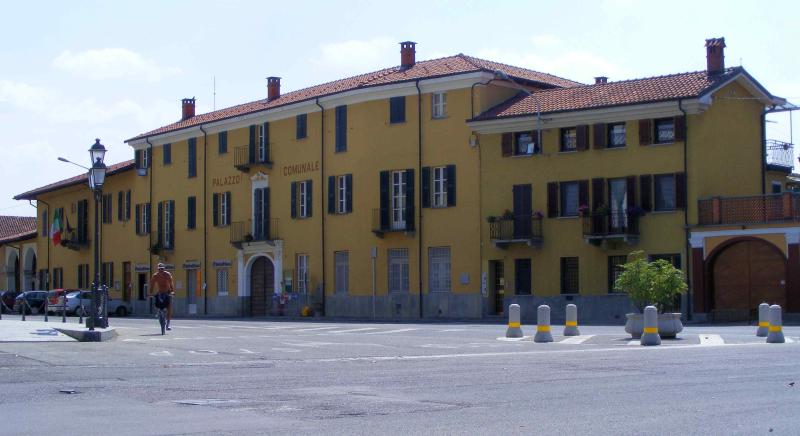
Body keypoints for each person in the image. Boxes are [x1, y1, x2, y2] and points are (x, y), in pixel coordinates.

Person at [149, 263, 175, 330]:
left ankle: (168, 324)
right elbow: (152, 285)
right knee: (157, 302)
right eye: (160, 269)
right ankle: (159, 312)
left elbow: (171, 283)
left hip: (167, 292)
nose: (161, 271)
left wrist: (172, 291)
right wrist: (150, 293)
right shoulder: (155, 276)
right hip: (160, 292)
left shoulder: (167, 275)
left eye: (162, 269)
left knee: (169, 307)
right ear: (158, 269)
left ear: (164, 269)